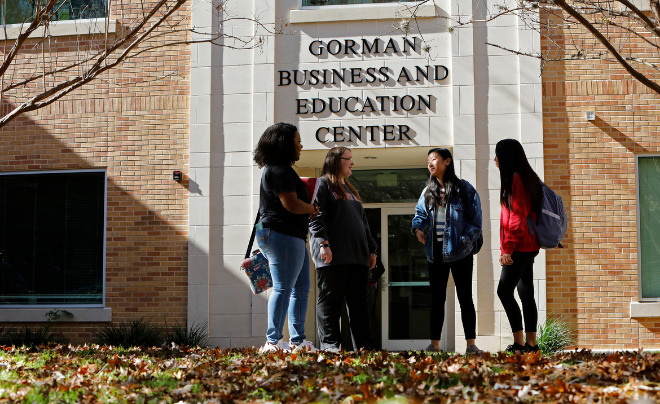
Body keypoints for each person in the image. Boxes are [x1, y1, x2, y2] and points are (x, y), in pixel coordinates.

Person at [253, 122, 319, 354]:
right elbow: (291, 205)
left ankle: (298, 341)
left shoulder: (279, 170)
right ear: (285, 143)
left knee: (300, 289)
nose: (301, 145)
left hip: (290, 235)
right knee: (283, 288)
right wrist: (311, 208)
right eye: (298, 141)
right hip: (281, 233)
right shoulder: (278, 170)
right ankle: (273, 342)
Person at [411, 148, 483, 354]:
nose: (430, 164)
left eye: (434, 159)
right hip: (435, 253)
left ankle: (471, 345)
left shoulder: (464, 189)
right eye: (428, 161)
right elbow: (420, 214)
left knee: (465, 298)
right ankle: (434, 345)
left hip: (460, 252)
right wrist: (417, 229)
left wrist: (464, 241)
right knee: (436, 299)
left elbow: (475, 221)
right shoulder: (428, 191)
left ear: (447, 162)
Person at [309, 147, 377, 353]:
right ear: (337, 160)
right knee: (330, 301)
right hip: (333, 255)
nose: (353, 163)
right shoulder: (322, 185)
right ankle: (330, 345)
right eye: (349, 159)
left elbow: (363, 223)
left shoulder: (350, 190)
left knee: (359, 305)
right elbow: (315, 216)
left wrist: (371, 249)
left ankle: (364, 347)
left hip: (358, 256)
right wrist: (323, 243)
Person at [495, 139, 542, 354]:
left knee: (504, 291)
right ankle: (531, 345)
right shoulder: (527, 177)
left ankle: (520, 343)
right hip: (528, 244)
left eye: (497, 155)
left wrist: (507, 249)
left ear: (506, 157)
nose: (495, 160)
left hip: (520, 245)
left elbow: (516, 216)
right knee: (525, 292)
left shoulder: (516, 179)